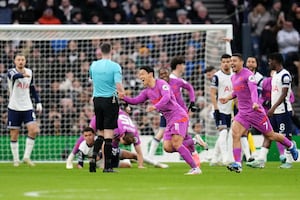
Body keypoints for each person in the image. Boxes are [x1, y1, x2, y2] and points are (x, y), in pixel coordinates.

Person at [219, 53, 298, 173]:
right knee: (235, 134)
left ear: (241, 62)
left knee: (270, 135)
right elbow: (237, 92)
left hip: (255, 112)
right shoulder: (233, 77)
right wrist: (227, 98)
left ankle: (291, 145)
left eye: (234, 61)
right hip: (243, 113)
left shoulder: (248, 75)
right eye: (231, 61)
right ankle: (237, 164)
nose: (232, 63)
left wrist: (255, 103)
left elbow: (253, 90)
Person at [120, 66, 201, 175]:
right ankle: (194, 141)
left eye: (142, 74)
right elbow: (135, 101)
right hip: (169, 120)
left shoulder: (161, 83)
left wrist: (155, 107)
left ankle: (195, 168)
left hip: (178, 116)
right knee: (167, 147)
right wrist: (123, 97)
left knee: (176, 144)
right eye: (139, 75)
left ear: (150, 74)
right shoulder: (147, 92)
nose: (140, 77)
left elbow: (166, 97)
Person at [66, 109, 168, 169]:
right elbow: (105, 144)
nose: (121, 143)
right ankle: (70, 158)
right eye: (122, 142)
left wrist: (140, 166)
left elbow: (139, 152)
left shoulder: (134, 134)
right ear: (122, 136)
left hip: (118, 113)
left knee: (132, 155)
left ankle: (156, 163)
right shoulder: (116, 130)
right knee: (88, 132)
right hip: (104, 116)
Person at [247, 53, 296, 169]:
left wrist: (272, 108)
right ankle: (261, 160)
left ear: (276, 61)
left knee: (285, 136)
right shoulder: (275, 76)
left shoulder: (285, 75)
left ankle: (288, 161)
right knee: (268, 134)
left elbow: (284, 95)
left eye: (270, 61)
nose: (269, 63)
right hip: (274, 111)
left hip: (283, 111)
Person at [148, 67, 204, 166]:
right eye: (161, 74)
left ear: (169, 73)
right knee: (163, 134)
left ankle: (194, 154)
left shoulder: (177, 81)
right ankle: (150, 157)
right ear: (158, 75)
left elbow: (189, 87)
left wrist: (192, 101)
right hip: (166, 114)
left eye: (165, 73)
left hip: (179, 112)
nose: (164, 75)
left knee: (183, 136)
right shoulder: (158, 85)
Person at [89, 42, 125, 173]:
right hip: (110, 100)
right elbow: (119, 86)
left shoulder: (93, 65)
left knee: (100, 133)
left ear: (100, 51)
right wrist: (124, 98)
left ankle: (93, 158)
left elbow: (92, 79)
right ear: (111, 51)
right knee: (109, 134)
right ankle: (108, 166)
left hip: (97, 100)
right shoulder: (115, 66)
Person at [7, 53, 42, 167]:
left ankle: (26, 157)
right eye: (18, 60)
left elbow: (32, 88)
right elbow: (15, 77)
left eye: (22, 59)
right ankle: (16, 159)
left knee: (33, 130)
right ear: (15, 62)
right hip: (14, 107)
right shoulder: (11, 72)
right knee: (14, 134)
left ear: (25, 61)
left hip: (27, 106)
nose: (21, 61)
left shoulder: (30, 72)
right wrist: (23, 75)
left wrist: (38, 102)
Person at [210, 54, 234, 166]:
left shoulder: (234, 75)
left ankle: (214, 158)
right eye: (224, 61)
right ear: (221, 63)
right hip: (219, 109)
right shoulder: (217, 76)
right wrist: (216, 108)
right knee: (223, 132)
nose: (226, 63)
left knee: (225, 134)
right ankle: (225, 158)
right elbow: (212, 93)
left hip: (229, 110)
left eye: (228, 61)